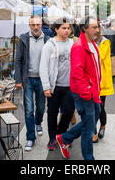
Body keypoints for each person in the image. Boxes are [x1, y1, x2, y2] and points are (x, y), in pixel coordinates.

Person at [56, 16, 102, 160]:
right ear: (85, 29)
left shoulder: (92, 43)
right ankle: (89, 159)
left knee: (94, 118)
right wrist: (86, 91)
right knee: (89, 129)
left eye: (97, 26)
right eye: (94, 27)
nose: (97, 30)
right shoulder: (79, 46)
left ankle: (65, 138)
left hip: (93, 90)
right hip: (84, 92)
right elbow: (77, 74)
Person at [15, 15, 51, 151]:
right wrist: (18, 80)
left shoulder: (48, 40)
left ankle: (38, 122)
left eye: (37, 24)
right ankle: (30, 137)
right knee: (29, 110)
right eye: (32, 25)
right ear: (29, 26)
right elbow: (18, 60)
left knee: (41, 107)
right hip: (28, 79)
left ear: (41, 24)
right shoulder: (23, 38)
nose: (35, 27)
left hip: (42, 79)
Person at [39, 18, 75, 151]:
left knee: (69, 111)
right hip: (54, 87)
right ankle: (53, 138)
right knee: (52, 113)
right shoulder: (49, 45)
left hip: (69, 86)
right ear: (56, 29)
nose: (67, 30)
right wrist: (46, 87)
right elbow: (43, 67)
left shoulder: (72, 44)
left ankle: (62, 135)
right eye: (64, 28)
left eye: (68, 28)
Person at [92, 26, 114, 143]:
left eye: (96, 29)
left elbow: (99, 56)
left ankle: (103, 126)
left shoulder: (105, 42)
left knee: (100, 106)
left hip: (101, 81)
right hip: (90, 81)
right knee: (92, 107)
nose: (95, 31)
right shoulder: (88, 41)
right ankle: (93, 131)